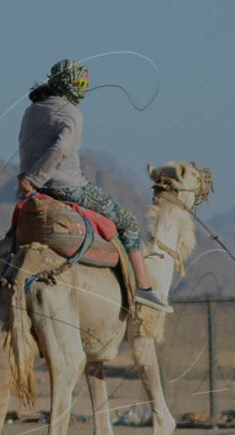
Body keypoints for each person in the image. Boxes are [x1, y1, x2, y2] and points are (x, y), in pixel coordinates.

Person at [16, 59, 168, 310]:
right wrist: (35, 177)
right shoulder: (71, 113)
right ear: (67, 83)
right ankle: (144, 288)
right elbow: (61, 148)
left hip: (35, 192)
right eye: (80, 82)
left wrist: (30, 181)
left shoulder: (32, 109)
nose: (84, 88)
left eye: (86, 83)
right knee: (128, 222)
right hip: (69, 189)